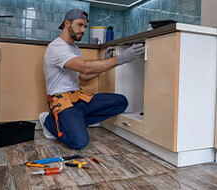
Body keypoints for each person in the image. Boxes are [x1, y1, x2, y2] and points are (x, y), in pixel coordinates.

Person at [39, 9, 145, 150]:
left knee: (121, 102)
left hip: (80, 98)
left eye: (85, 27)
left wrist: (106, 62)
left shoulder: (75, 49)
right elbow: (85, 68)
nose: (83, 30)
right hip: (63, 103)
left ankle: (75, 122)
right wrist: (120, 59)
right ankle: (49, 122)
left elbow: (84, 77)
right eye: (80, 25)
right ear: (67, 24)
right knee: (80, 142)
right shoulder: (56, 47)